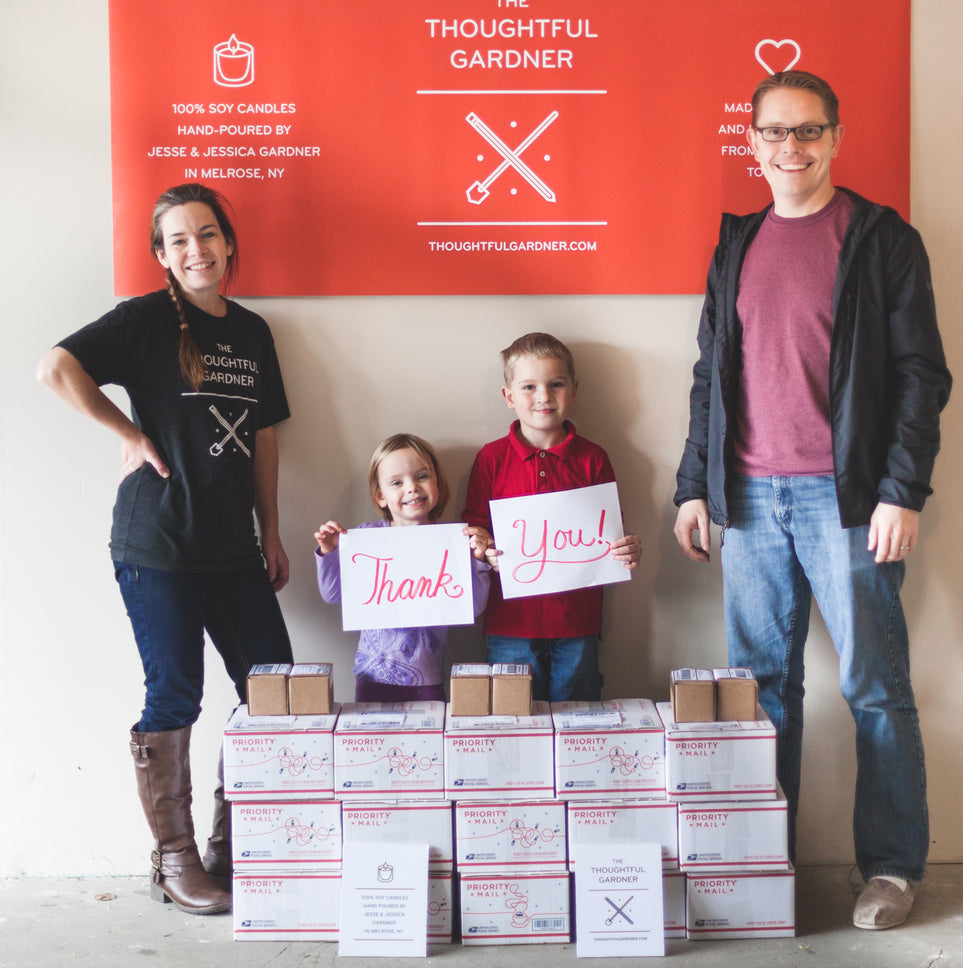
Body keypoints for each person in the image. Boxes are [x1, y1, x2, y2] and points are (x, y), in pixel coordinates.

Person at [672, 71, 951, 930]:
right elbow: (708, 378)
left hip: (850, 502)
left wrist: (901, 492)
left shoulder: (879, 238)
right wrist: (693, 486)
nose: (790, 147)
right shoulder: (737, 243)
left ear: (833, 138)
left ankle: (892, 870)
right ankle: (766, 870)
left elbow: (919, 376)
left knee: (874, 687)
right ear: (750, 142)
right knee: (760, 693)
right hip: (748, 501)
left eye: (807, 131)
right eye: (774, 132)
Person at [37, 183, 295, 914]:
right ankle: (174, 860)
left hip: (233, 548)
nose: (196, 250)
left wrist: (269, 530)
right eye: (178, 240)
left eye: (207, 234)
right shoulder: (143, 321)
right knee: (176, 691)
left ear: (228, 243)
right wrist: (129, 435)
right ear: (161, 256)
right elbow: (53, 367)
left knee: (272, 689)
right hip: (157, 543)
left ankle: (233, 845)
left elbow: (266, 436)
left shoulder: (252, 332)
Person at [462, 332, 642, 702]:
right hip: (509, 625)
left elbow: (609, 533)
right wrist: (484, 548)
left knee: (578, 725)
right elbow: (474, 526)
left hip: (576, 624)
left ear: (573, 390)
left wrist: (626, 548)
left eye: (555, 384)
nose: (543, 396)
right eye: (529, 386)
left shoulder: (593, 458)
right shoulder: (491, 459)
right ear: (509, 396)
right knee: (514, 724)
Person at [315, 433, 492, 701]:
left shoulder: (453, 542)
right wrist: (329, 552)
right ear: (381, 496)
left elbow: (474, 607)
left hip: (428, 677)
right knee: (375, 743)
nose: (411, 487)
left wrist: (478, 561)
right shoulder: (366, 539)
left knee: (426, 743)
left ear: (438, 484)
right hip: (372, 674)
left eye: (422, 477)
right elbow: (332, 594)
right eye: (397, 482)